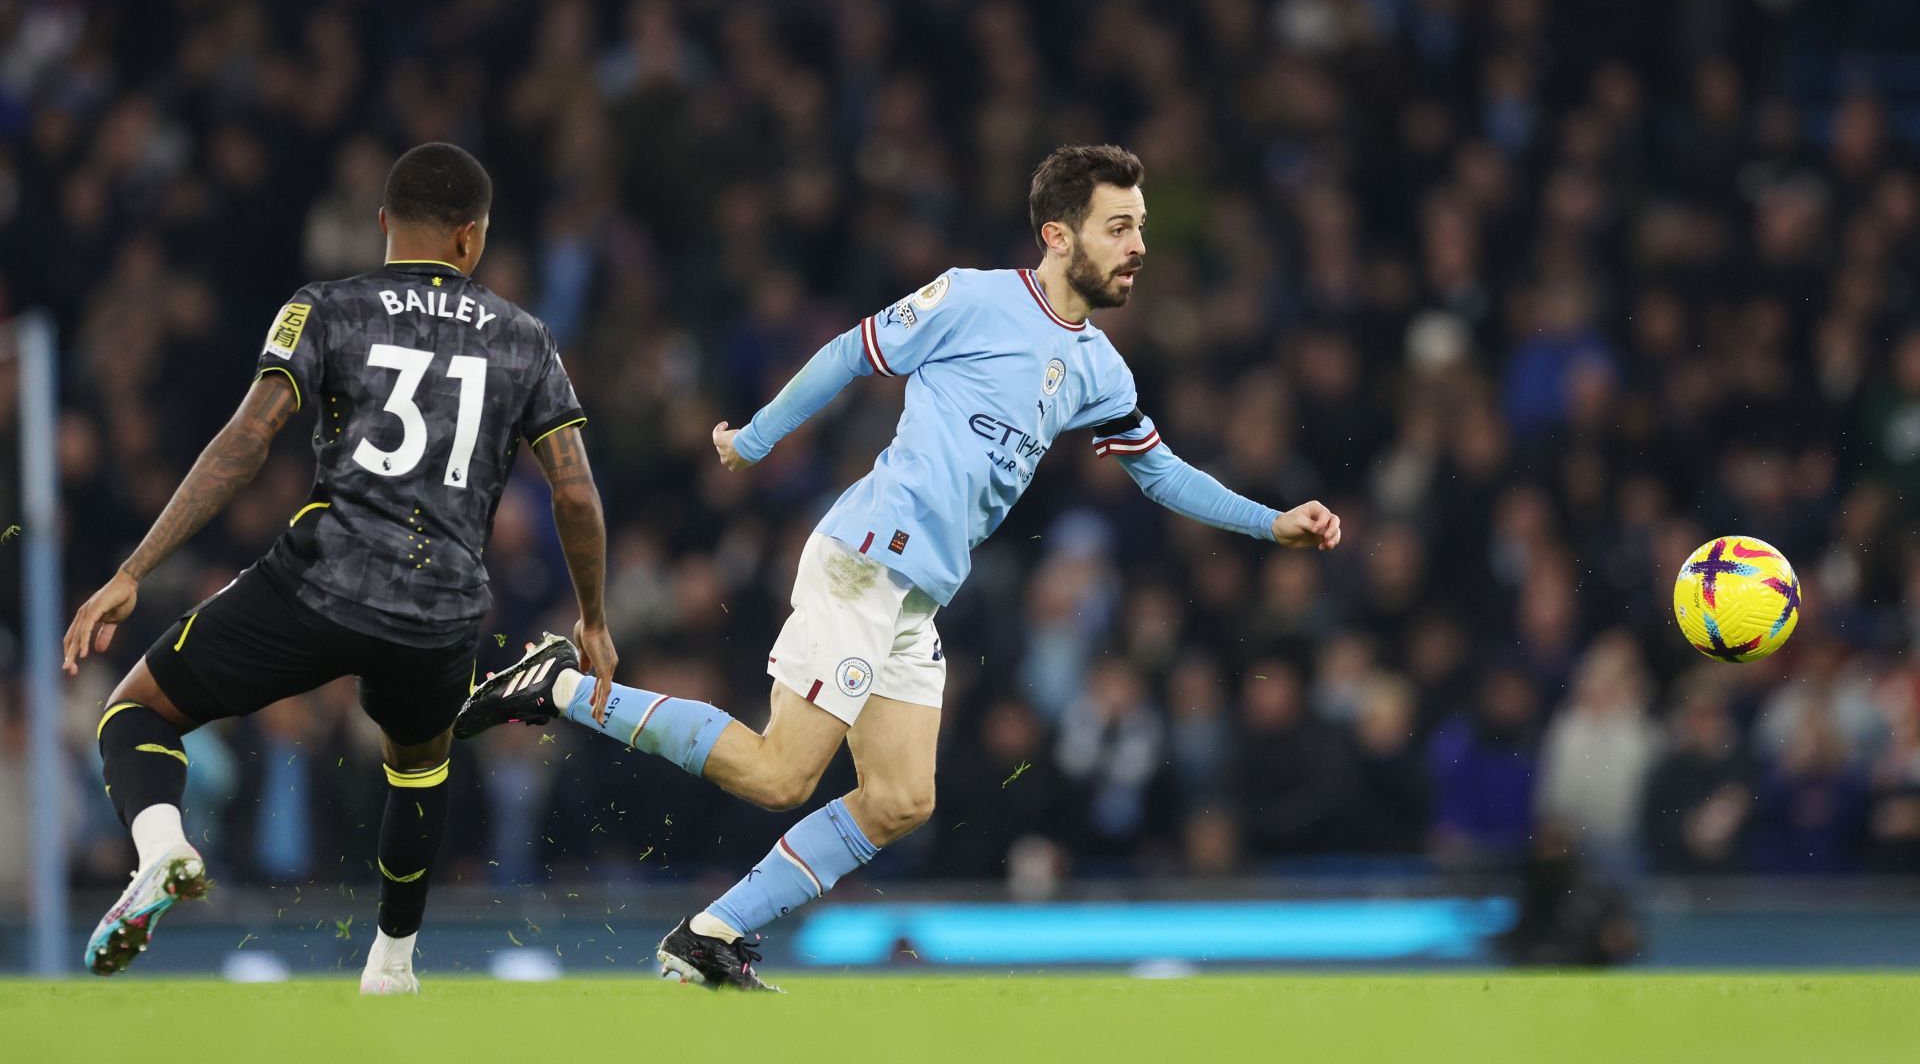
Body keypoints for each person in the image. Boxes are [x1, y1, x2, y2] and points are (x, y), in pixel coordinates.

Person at [457, 144, 1342, 989]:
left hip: (916, 597)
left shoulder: (1098, 367)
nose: (1139, 246)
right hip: (864, 559)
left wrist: (1271, 524)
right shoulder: (969, 298)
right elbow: (852, 351)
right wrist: (756, 439)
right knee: (780, 774)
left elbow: (1160, 468)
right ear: (1058, 235)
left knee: (901, 799)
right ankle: (561, 691)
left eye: (1142, 226)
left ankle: (712, 933)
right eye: (1120, 227)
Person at [61, 143, 612, 993]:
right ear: (471, 239)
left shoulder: (326, 307)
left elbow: (248, 440)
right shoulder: (527, 339)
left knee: (136, 710)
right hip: (442, 606)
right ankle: (392, 964)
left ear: (385, 224)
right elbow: (574, 493)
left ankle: (164, 846)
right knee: (419, 763)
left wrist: (135, 567)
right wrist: (594, 619)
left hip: (323, 579)